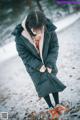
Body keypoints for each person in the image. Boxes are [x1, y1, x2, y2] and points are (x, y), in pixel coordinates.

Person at [12, 10, 66, 109]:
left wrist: (50, 63)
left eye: (40, 28)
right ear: (29, 26)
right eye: (35, 29)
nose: (38, 32)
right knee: (42, 85)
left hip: (48, 62)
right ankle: (50, 106)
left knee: (52, 81)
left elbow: (54, 47)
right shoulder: (20, 37)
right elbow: (24, 55)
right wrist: (37, 65)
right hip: (33, 67)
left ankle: (57, 104)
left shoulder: (49, 29)